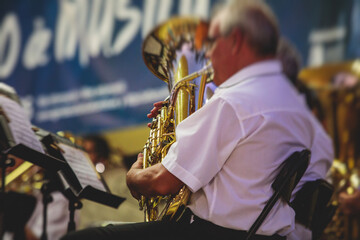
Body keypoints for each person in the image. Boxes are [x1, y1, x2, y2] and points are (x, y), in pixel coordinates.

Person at [61, 0, 333, 239]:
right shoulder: (295, 111)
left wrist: (134, 176)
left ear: (235, 41)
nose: (209, 57)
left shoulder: (232, 102)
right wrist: (188, 123)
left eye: (212, 43)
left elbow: (161, 182)